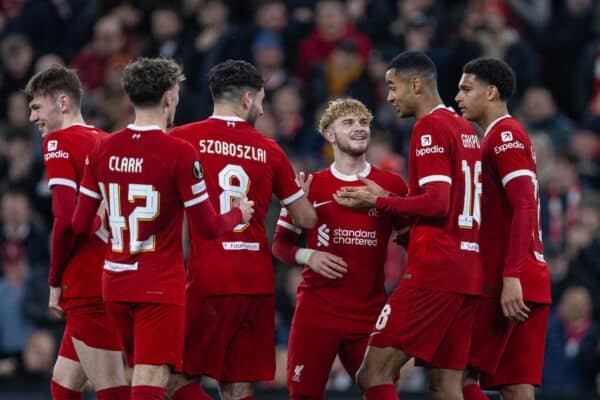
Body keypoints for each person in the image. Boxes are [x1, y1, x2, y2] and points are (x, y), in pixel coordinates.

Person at [71, 57, 254, 400]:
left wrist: (110, 229)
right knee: (150, 379)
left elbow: (80, 224)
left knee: (161, 377)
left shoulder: (102, 148)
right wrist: (238, 213)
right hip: (157, 287)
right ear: (169, 97)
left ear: (130, 97)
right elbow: (208, 227)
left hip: (114, 283)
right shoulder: (179, 153)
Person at [335, 51, 482, 400]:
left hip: (435, 271)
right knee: (447, 385)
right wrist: (407, 224)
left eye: (392, 86)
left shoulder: (429, 126)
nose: (388, 97)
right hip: (468, 270)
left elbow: (437, 202)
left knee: (372, 374)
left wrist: (379, 201)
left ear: (415, 84)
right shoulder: (467, 130)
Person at [168, 59, 317, 400]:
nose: (263, 110)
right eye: (263, 100)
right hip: (257, 283)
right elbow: (306, 219)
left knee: (176, 380)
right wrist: (301, 198)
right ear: (248, 99)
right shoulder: (270, 149)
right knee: (237, 387)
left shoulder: (183, 140)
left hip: (209, 280)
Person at [271, 97, 409, 399]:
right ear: (329, 135)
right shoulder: (309, 184)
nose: (359, 128)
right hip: (317, 313)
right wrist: (309, 255)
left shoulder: (393, 184)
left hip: (369, 313)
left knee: (384, 393)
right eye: (348, 122)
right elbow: (280, 245)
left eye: (363, 122)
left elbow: (411, 238)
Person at [25, 65, 129, 400]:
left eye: (37, 107)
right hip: (114, 270)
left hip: (86, 280)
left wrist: (54, 280)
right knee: (64, 383)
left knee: (112, 386)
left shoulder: (58, 142)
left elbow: (66, 221)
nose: (31, 117)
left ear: (64, 102)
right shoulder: (107, 141)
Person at [455, 57, 551, 400]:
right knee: (516, 387)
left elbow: (524, 204)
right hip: (530, 279)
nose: (458, 97)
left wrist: (512, 276)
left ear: (491, 92)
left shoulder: (505, 134)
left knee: (455, 375)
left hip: (507, 281)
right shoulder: (501, 136)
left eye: (466, 89)